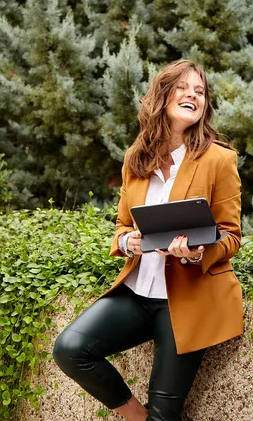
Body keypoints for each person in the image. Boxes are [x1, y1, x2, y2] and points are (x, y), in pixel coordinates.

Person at [53, 59, 243, 421]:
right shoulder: (135, 159)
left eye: (199, 92)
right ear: (162, 96)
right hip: (137, 295)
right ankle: (136, 416)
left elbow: (231, 236)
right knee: (70, 347)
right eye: (183, 88)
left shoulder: (219, 159)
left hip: (188, 298)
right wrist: (130, 243)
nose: (193, 96)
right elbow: (122, 226)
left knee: (165, 412)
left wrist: (195, 253)